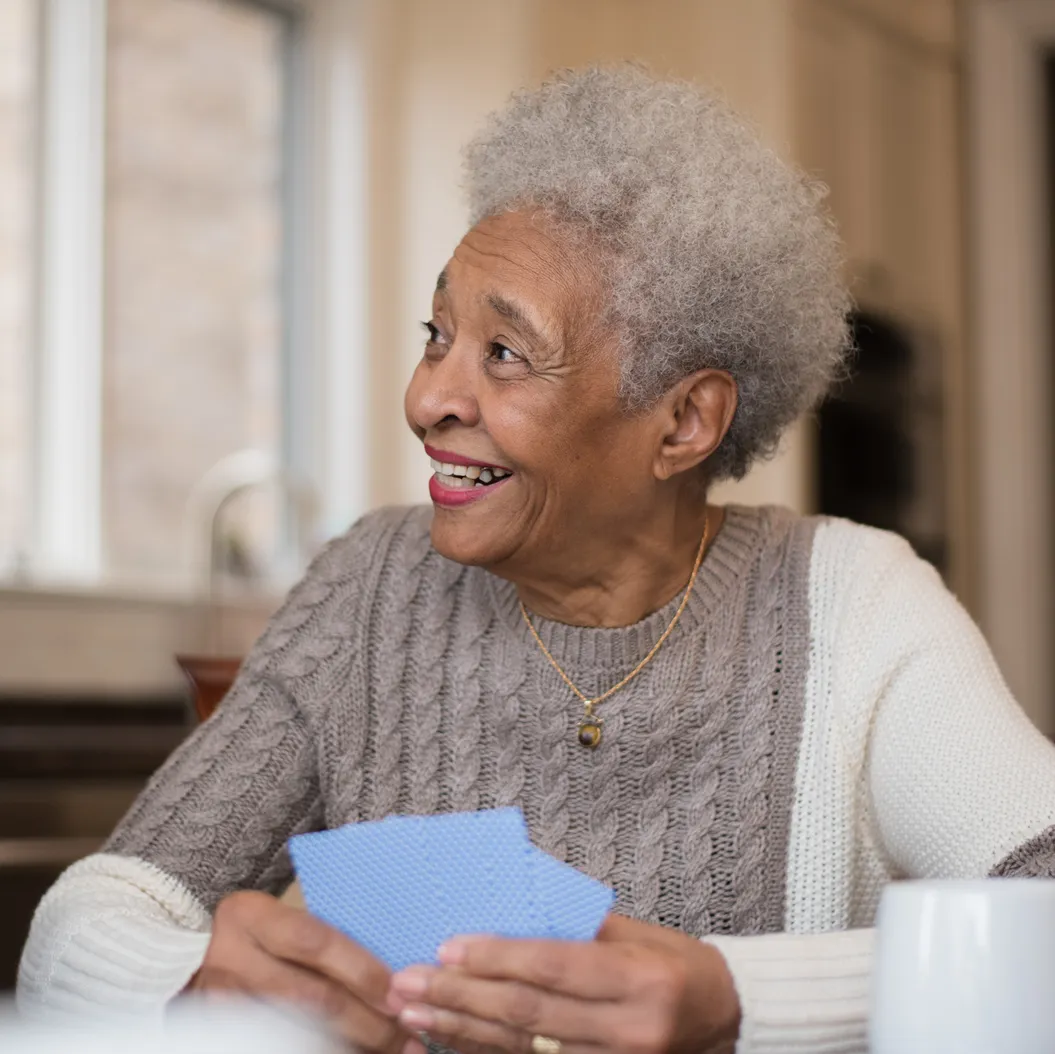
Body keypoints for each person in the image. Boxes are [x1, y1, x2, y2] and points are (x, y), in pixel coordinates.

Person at [18, 65, 1055, 1054]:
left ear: (683, 420)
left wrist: (737, 1000)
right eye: (437, 334)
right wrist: (183, 978)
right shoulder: (370, 583)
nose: (428, 400)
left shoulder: (853, 606)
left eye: (504, 354)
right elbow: (97, 910)